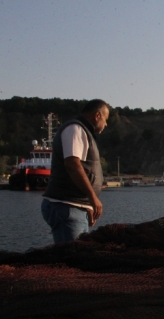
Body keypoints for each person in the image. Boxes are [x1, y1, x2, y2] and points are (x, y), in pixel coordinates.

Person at [41, 99, 109, 243]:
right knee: (71, 258)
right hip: (67, 208)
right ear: (97, 115)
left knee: (79, 256)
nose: (106, 124)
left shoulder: (83, 131)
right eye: (105, 119)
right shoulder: (75, 129)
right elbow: (72, 164)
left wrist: (87, 205)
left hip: (75, 208)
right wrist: (92, 198)